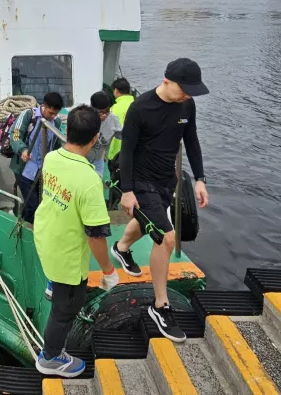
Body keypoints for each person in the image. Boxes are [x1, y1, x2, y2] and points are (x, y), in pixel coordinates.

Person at [111, 58, 210, 343]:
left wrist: (200, 179)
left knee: (145, 224)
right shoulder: (140, 108)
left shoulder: (187, 105)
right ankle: (160, 306)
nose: (189, 95)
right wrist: (127, 191)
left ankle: (121, 247)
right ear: (167, 81)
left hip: (166, 179)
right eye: (185, 89)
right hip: (139, 180)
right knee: (166, 237)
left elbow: (191, 140)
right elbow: (127, 151)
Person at [34, 105, 120, 377]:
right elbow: (95, 236)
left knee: (57, 286)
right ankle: (51, 359)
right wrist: (108, 270)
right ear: (96, 138)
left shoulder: (51, 158)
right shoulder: (90, 181)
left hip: (46, 237)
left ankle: (51, 284)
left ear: (67, 130)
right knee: (65, 309)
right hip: (67, 257)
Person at [9, 92, 65, 223]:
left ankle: (21, 217)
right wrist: (23, 150)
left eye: (56, 114)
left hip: (44, 170)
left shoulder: (56, 122)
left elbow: (56, 144)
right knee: (33, 206)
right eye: (51, 113)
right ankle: (28, 229)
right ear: (44, 106)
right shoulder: (28, 115)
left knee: (40, 204)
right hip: (25, 168)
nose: (53, 116)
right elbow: (15, 135)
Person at [86, 91, 122, 180]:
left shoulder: (113, 119)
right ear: (92, 108)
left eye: (107, 111)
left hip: (98, 160)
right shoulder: (83, 118)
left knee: (97, 184)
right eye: (101, 112)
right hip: (81, 158)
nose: (104, 115)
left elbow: (123, 135)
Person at [107, 78, 134, 162]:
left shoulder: (114, 109)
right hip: (133, 151)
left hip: (116, 152)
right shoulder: (137, 105)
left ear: (116, 90)